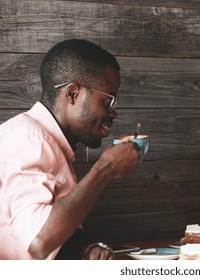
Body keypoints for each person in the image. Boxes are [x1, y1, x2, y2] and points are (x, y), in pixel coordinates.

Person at [0, 39, 141, 259]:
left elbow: (24, 231)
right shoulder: (28, 139)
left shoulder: (46, 141)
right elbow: (37, 242)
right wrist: (106, 168)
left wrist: (83, 249)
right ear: (72, 94)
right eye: (108, 101)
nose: (113, 113)